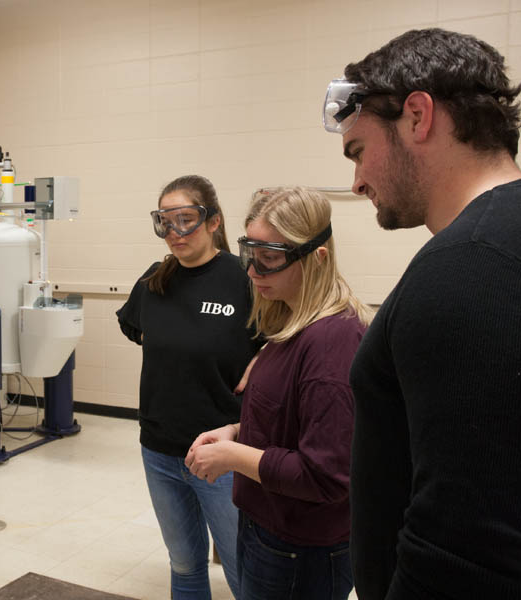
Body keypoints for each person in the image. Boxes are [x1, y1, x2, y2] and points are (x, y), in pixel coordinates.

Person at [324, 28, 521, 599]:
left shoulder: (468, 266)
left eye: (359, 151)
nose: (357, 181)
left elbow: (465, 547)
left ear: (417, 116)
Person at [185, 187, 372, 600]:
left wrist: (232, 457)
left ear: (316, 257)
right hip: (266, 525)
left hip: (299, 549)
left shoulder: (331, 342)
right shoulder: (290, 321)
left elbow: (325, 475)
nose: (252, 272)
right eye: (250, 255)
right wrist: (237, 430)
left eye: (269, 260)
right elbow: (288, 419)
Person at [116, 175, 262, 599]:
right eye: (165, 222)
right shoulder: (155, 281)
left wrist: (263, 356)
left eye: (186, 219)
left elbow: (287, 337)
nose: (175, 232)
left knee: (241, 570)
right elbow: (139, 331)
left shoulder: (245, 278)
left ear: (213, 221)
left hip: (222, 450)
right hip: (160, 449)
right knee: (183, 564)